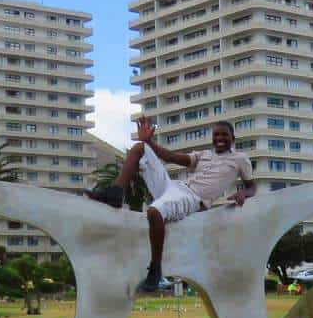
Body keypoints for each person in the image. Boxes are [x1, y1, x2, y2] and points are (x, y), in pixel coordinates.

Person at [87, 118, 255, 292]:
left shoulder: (240, 159)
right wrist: (149, 141)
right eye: (216, 135)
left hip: (193, 198)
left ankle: (156, 269)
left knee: (154, 212)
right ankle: (116, 193)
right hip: (174, 187)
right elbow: (171, 157)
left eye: (224, 135)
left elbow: (252, 187)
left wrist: (243, 193)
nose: (220, 138)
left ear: (233, 138)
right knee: (140, 149)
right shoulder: (204, 155)